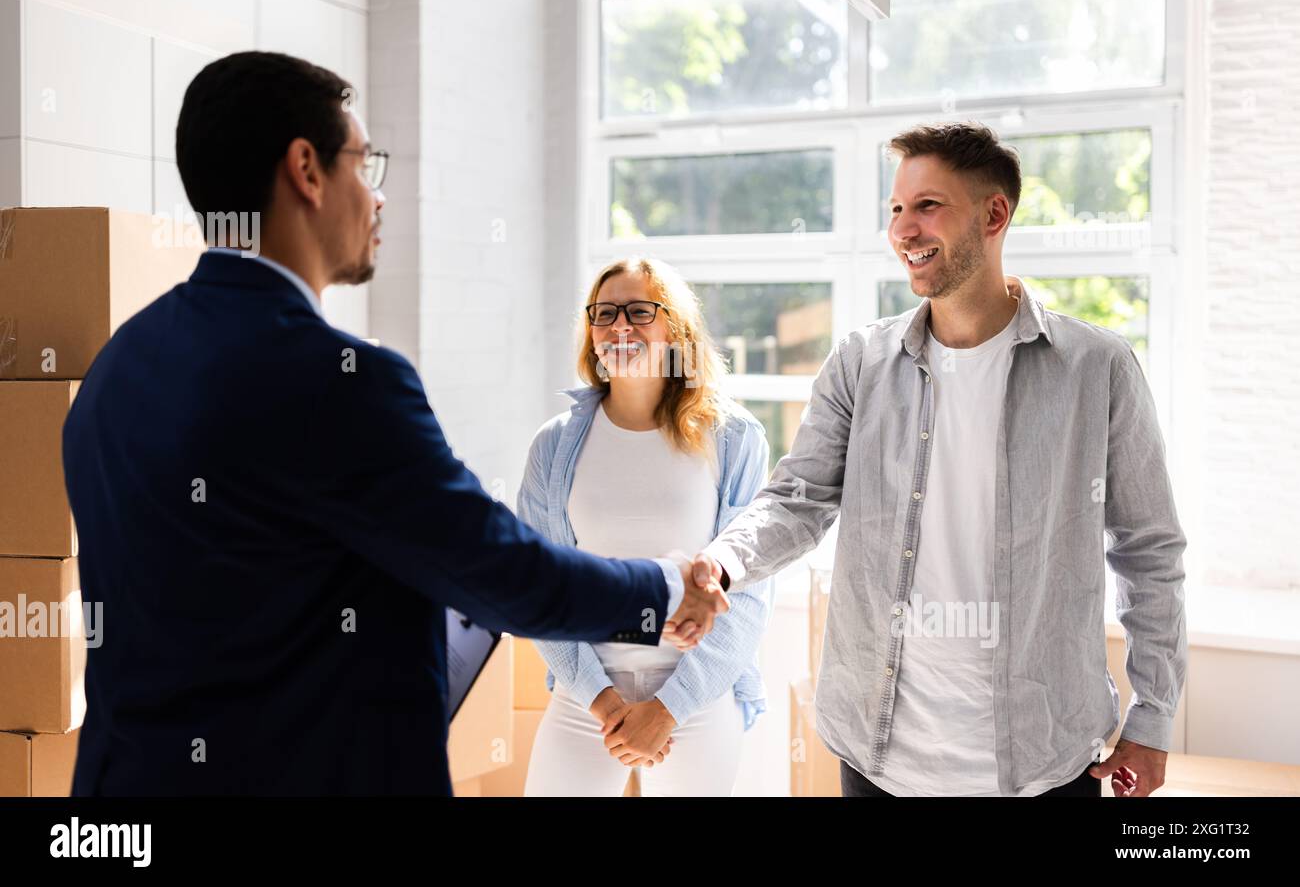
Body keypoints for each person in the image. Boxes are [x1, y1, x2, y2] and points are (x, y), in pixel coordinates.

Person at [60, 51, 727, 796]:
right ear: (306, 170)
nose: (377, 199)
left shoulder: (116, 367)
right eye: (364, 164)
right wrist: (667, 589)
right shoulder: (341, 380)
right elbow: (502, 571)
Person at [686, 121, 1188, 798]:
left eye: (927, 206)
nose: (903, 230)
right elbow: (797, 499)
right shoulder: (860, 364)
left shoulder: (1097, 368)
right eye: (896, 209)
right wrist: (725, 560)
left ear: (994, 214)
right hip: (879, 755)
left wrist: (1152, 718)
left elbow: (1149, 551)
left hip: (1044, 761)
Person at [518, 258, 774, 797]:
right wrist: (605, 703)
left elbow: (748, 594)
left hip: (696, 700)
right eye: (605, 313)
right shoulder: (554, 445)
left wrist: (666, 709)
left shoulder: (734, 438)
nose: (620, 327)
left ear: (675, 329)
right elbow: (539, 586)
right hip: (584, 694)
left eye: (639, 311)